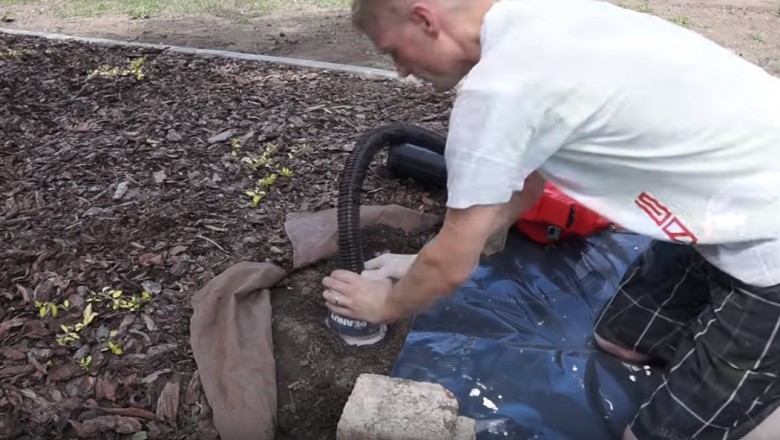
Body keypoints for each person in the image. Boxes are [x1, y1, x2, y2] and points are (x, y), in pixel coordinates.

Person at [320, 0, 780, 438]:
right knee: (619, 342)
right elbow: (528, 187)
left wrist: (384, 306)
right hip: (730, 200)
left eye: (393, 51)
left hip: (767, 246)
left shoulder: (499, 90)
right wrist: (424, 257)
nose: (399, 69)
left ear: (424, 19)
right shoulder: (538, 18)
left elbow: (451, 267)